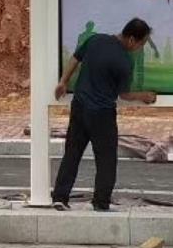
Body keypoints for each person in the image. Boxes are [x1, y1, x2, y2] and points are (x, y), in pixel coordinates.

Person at [52, 18, 157, 212]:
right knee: (106, 159)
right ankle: (100, 202)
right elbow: (124, 95)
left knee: (72, 154)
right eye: (142, 44)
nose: (140, 48)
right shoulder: (124, 61)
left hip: (79, 107)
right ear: (132, 40)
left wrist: (63, 81)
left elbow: (75, 58)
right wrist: (144, 96)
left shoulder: (95, 40)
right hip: (102, 115)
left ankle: (60, 197)